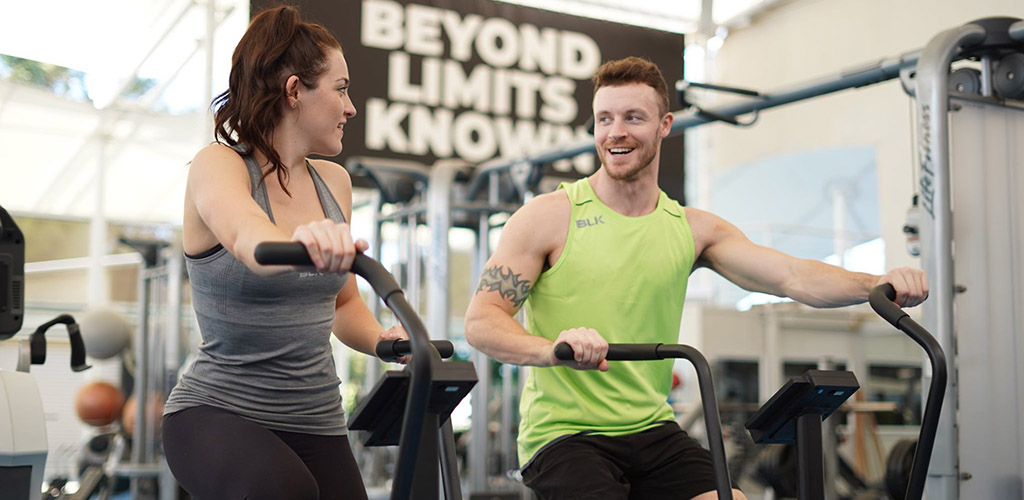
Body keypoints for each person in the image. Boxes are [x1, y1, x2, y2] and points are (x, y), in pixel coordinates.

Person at [463, 56, 929, 500]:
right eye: (604, 119)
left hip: (651, 428)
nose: (615, 133)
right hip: (565, 435)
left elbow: (792, 276)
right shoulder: (547, 217)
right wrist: (553, 349)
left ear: (665, 126)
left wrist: (877, 283)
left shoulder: (691, 229)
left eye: (632, 118)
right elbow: (483, 320)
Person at [162, 6, 401, 500]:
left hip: (316, 420)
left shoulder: (334, 182)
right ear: (295, 91)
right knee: (285, 491)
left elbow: (343, 305)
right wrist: (301, 245)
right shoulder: (219, 164)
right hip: (217, 413)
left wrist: (385, 342)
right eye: (340, 88)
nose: (350, 106)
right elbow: (249, 238)